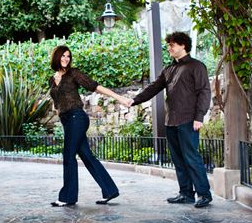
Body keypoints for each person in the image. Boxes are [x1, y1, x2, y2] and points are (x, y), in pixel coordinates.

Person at [122, 31, 213, 208]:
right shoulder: (169, 69)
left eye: (172, 44)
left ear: (183, 46)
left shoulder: (197, 66)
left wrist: (199, 116)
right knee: (178, 159)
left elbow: (204, 92)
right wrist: (134, 100)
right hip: (171, 121)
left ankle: (204, 194)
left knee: (192, 157)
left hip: (188, 120)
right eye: (169, 44)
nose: (169, 48)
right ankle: (186, 193)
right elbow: (153, 88)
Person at [48, 45, 132, 207]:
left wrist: (120, 99)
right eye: (63, 56)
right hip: (67, 121)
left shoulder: (74, 73)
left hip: (77, 118)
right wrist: (57, 109)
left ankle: (67, 197)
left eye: (68, 56)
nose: (66, 59)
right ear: (56, 57)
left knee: (68, 156)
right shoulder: (52, 79)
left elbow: (95, 86)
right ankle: (110, 190)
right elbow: (57, 102)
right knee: (86, 155)